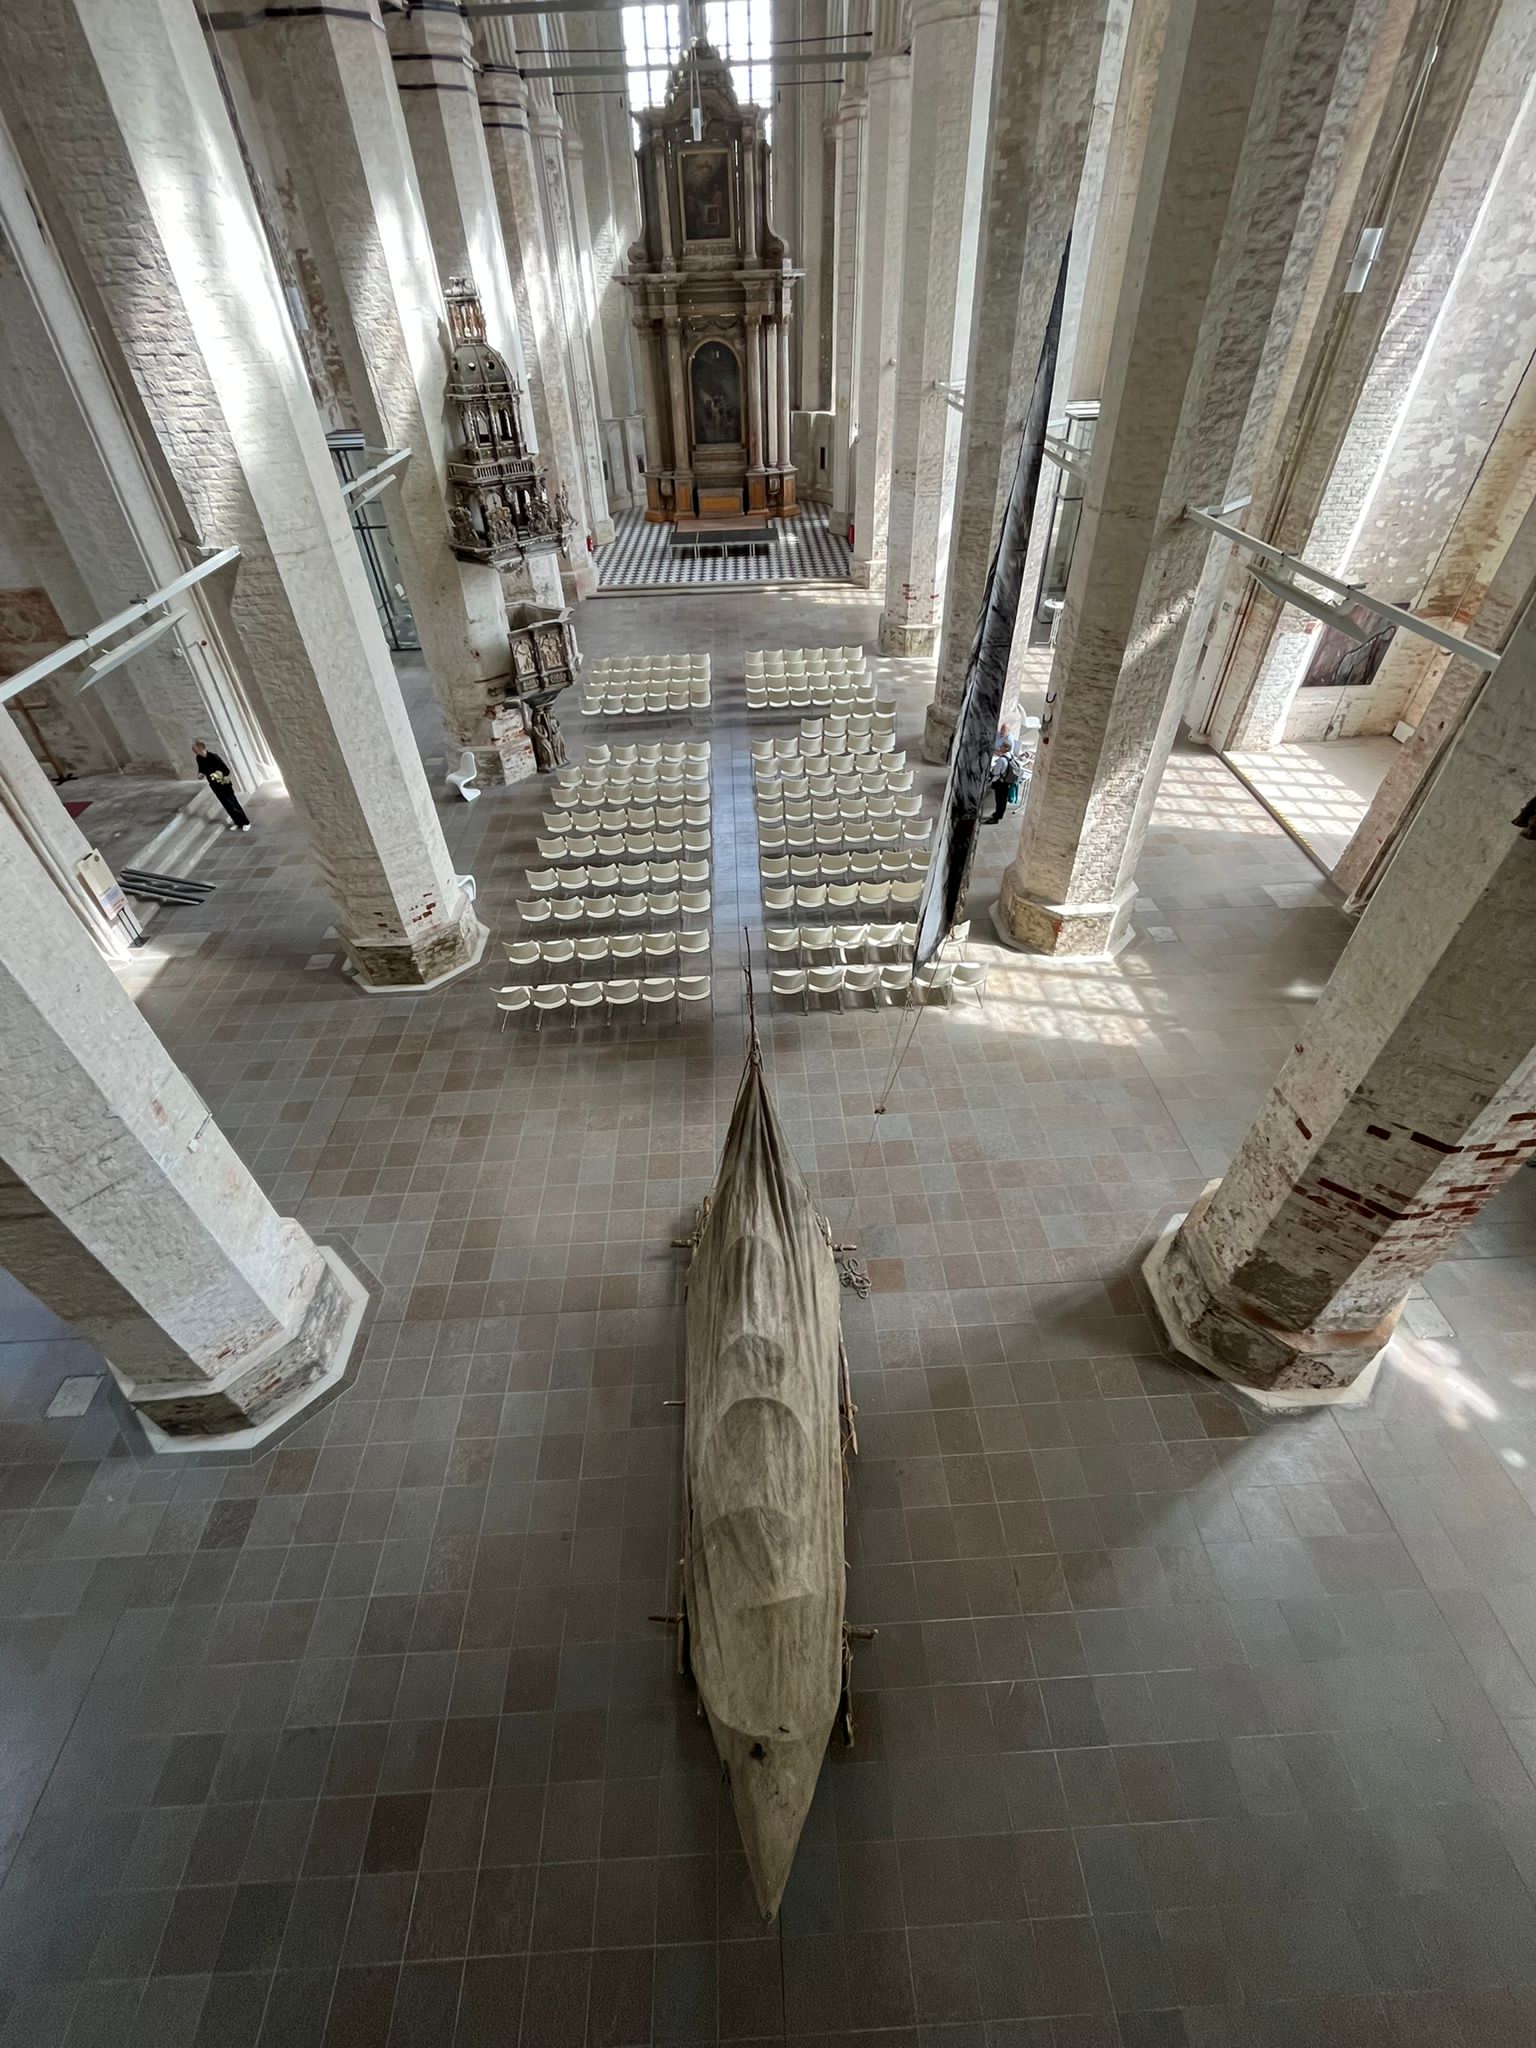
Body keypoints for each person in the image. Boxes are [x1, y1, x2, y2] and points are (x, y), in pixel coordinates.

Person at [193, 740, 250, 830]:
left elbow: (226, 771)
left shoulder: (214, 757)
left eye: (196, 750)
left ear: (202, 749)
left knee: (233, 803)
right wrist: (200, 774)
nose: (195, 752)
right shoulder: (199, 758)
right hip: (214, 785)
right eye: (195, 751)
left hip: (224, 784)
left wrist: (218, 775)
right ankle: (237, 822)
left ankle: (246, 822)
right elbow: (202, 769)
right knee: (226, 805)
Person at [985, 724, 1020, 823]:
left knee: (999, 800)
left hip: (1001, 783)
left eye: (1001, 746)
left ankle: (996, 817)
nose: (999, 747)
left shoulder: (1001, 760)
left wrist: (991, 779)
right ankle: (999, 814)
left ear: (1005, 748)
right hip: (1006, 782)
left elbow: (996, 773)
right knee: (1003, 800)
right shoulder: (1010, 757)